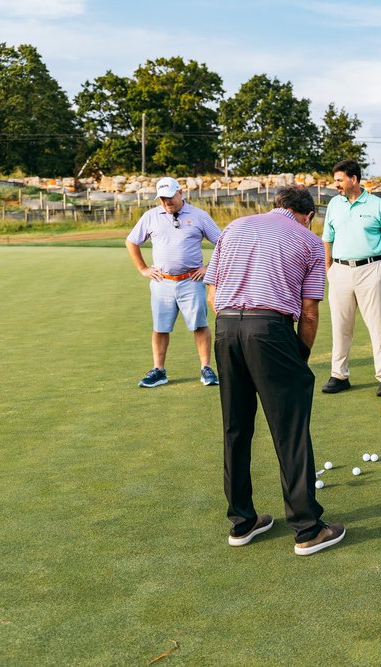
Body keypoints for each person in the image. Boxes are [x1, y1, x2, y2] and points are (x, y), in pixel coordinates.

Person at [204, 185, 345, 555]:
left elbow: (212, 294)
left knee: (235, 426)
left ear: (275, 205)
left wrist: (230, 328)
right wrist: (298, 355)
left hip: (225, 327)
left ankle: (242, 522)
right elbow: (310, 312)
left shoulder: (233, 227)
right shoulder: (310, 241)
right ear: (309, 215)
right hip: (270, 330)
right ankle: (307, 529)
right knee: (290, 429)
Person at [126, 177, 222, 388]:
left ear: (180, 193)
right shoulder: (150, 216)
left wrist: (208, 268)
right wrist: (143, 269)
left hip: (191, 280)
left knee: (199, 325)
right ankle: (159, 371)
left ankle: (206, 368)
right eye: (162, 198)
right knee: (160, 328)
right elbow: (132, 241)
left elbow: (223, 242)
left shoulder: (199, 216)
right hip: (163, 282)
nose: (167, 202)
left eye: (170, 197)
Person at [320, 159, 381, 397]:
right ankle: (339, 375)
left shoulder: (377, 205)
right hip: (340, 272)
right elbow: (327, 238)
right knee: (341, 327)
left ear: (353, 179)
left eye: (340, 180)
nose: (336, 185)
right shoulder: (334, 204)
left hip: (370, 270)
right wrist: (328, 268)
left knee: (378, 326)